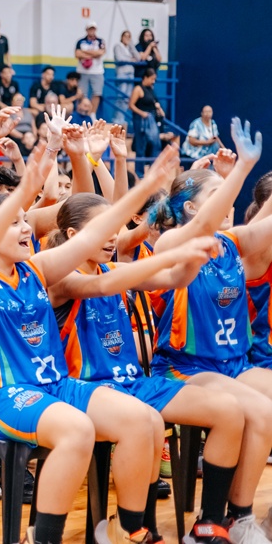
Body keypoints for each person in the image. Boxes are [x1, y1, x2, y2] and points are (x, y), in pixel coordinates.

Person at [0, 135, 181, 544]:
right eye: (14, 222)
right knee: (77, 430)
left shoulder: (35, 269)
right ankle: (42, 538)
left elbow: (91, 237)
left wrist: (147, 187)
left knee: (145, 419)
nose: (26, 227)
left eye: (24, 219)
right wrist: (25, 189)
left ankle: (131, 528)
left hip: (52, 386)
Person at [49, 193, 246, 543]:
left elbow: (174, 280)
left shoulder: (113, 268)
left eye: (114, 227)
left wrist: (193, 256)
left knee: (230, 412)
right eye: (102, 228)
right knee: (149, 422)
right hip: (87, 388)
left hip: (134, 383)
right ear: (71, 235)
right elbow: (105, 285)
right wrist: (172, 250)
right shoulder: (60, 280)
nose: (112, 237)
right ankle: (133, 528)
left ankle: (208, 524)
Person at [149, 120, 272, 543]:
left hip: (233, 364)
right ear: (190, 209)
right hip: (184, 367)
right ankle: (218, 520)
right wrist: (240, 169)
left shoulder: (234, 242)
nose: (228, 202)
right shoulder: (169, 245)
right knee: (254, 411)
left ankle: (242, 518)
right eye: (216, 196)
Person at [129, 69, 164, 176]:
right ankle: (139, 173)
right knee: (141, 146)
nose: (153, 81)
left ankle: (152, 172)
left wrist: (160, 110)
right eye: (152, 79)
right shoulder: (138, 89)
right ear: (146, 77)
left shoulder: (151, 89)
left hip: (152, 120)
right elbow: (131, 105)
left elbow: (155, 103)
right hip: (141, 121)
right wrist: (142, 113)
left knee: (155, 144)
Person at [75, 21, 106, 115]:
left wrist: (85, 53)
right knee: (81, 93)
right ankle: (81, 112)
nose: (91, 31)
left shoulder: (100, 41)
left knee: (97, 93)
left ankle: (92, 114)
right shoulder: (80, 41)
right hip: (82, 71)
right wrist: (94, 53)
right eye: (90, 29)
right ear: (87, 30)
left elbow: (101, 53)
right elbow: (77, 54)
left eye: (93, 28)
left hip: (97, 71)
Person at [113, 30, 140, 117]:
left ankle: (121, 118)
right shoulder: (118, 46)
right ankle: (117, 119)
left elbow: (138, 58)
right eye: (125, 36)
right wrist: (131, 60)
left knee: (127, 99)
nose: (127, 38)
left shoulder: (130, 48)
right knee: (120, 96)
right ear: (121, 37)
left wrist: (132, 46)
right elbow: (120, 58)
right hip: (122, 74)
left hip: (130, 75)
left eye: (129, 37)